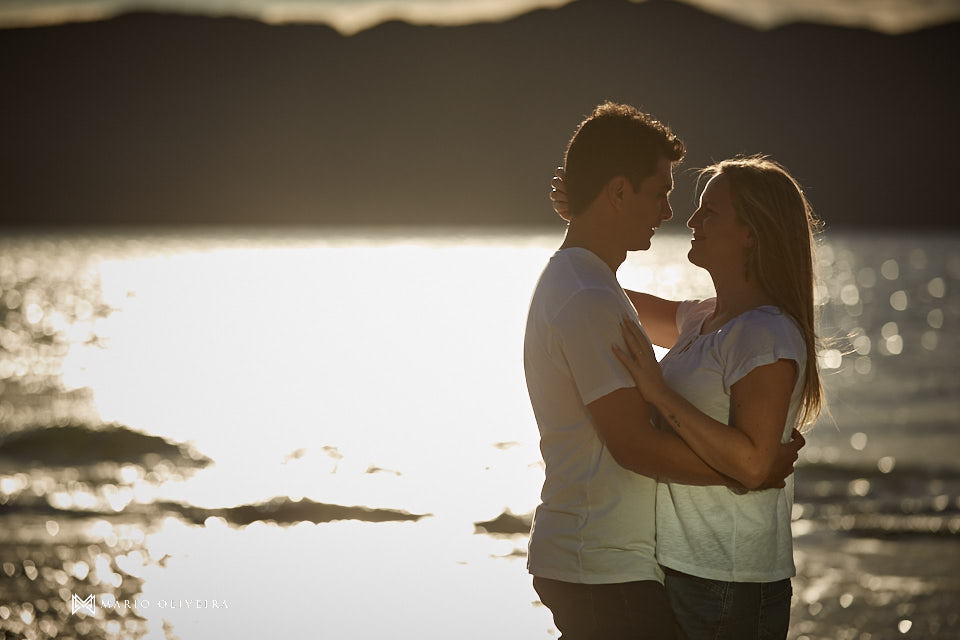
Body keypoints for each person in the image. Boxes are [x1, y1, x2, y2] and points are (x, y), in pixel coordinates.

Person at [524, 102, 802, 640]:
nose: (672, 212)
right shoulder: (586, 295)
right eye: (660, 193)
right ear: (620, 191)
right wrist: (750, 473)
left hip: (613, 560)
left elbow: (642, 313)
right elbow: (634, 445)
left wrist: (587, 212)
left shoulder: (594, 289)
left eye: (704, 210)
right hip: (602, 562)